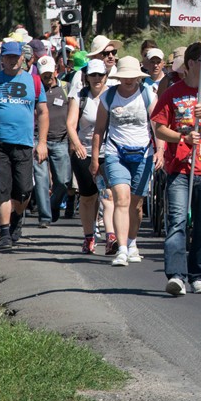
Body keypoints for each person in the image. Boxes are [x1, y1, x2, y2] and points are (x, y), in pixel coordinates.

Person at [152, 42, 201, 295]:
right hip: (179, 170)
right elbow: (159, 127)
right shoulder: (173, 93)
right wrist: (182, 139)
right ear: (192, 64)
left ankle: (198, 276)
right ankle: (176, 276)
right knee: (176, 223)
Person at [0, 41, 49, 251]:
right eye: (8, 57)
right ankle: (4, 232)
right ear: (1, 58)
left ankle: (17, 216)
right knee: (2, 188)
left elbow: (43, 113)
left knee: (23, 190)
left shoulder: (35, 81)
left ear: (23, 58)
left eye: (16, 57)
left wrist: (41, 143)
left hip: (23, 143)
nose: (12, 61)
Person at [90, 56, 160, 267]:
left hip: (143, 154)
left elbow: (157, 126)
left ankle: (132, 243)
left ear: (139, 77)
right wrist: (95, 158)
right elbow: (99, 130)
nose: (129, 81)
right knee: (121, 198)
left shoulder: (147, 95)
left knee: (136, 205)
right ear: (118, 77)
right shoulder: (108, 97)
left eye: (133, 77)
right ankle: (121, 249)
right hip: (115, 153)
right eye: (125, 77)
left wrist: (161, 151)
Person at [66, 59, 111, 255]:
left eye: (100, 74)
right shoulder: (80, 96)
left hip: (109, 151)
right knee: (88, 197)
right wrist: (77, 146)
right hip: (84, 150)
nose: (97, 78)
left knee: (109, 196)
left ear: (105, 75)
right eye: (93, 75)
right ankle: (89, 236)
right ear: (87, 77)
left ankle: (111, 236)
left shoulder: (112, 95)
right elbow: (70, 124)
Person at [33, 55, 73, 227]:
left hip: (61, 140)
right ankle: (45, 216)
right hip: (38, 140)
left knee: (63, 182)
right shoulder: (34, 89)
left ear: (56, 70)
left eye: (49, 74)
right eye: (44, 75)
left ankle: (53, 205)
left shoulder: (66, 88)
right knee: (41, 179)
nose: (47, 78)